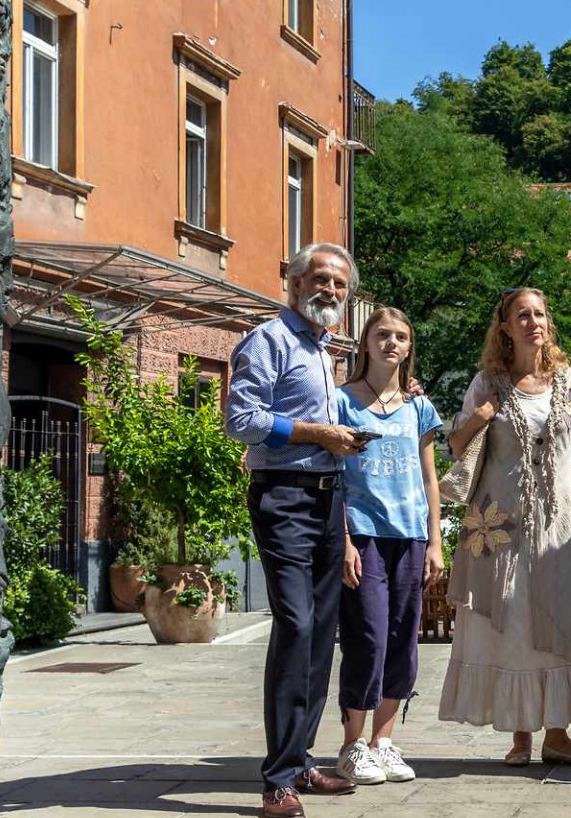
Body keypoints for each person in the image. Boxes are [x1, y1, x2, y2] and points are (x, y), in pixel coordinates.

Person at [226, 243, 368, 818]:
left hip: (328, 503)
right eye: (321, 279)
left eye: (340, 284)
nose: (330, 290)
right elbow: (242, 421)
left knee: (319, 632)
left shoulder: (323, 350)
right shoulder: (269, 341)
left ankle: (301, 760)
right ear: (293, 280)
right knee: (297, 625)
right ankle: (277, 782)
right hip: (283, 498)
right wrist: (316, 433)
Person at [439, 287, 571, 768]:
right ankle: (521, 736)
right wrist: (480, 415)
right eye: (522, 315)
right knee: (513, 622)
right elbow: (456, 445)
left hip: (558, 525)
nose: (533, 321)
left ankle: (558, 735)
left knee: (559, 618)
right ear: (505, 327)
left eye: (539, 314)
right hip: (501, 525)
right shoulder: (487, 382)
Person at [332, 308, 445, 787]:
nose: (391, 343)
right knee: (368, 638)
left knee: (403, 641)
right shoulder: (340, 403)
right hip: (364, 534)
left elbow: (429, 476)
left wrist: (436, 540)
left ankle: (384, 742)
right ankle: (352, 746)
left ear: (408, 346)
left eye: (400, 336)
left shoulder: (419, 407)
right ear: (365, 343)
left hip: (412, 536)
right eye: (382, 335)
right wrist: (343, 539)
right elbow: (332, 475)